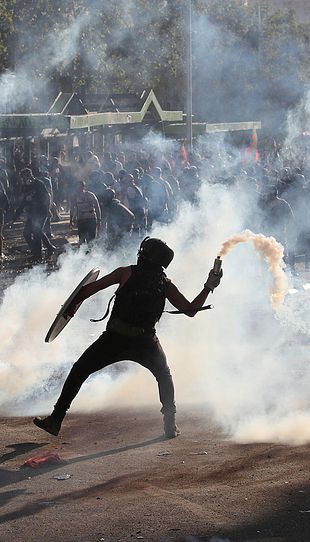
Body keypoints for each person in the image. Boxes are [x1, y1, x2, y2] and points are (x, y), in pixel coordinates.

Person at [34, 238, 222, 438]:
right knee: (164, 377)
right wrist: (209, 287)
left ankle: (56, 419)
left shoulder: (126, 272)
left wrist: (70, 306)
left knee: (79, 370)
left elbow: (91, 289)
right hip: (146, 343)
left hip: (114, 339)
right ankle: (170, 425)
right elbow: (190, 310)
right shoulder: (165, 284)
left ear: (144, 255)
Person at [70, 180, 101, 246]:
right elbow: (72, 208)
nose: (79, 189)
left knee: (91, 240)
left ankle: (91, 254)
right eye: (77, 187)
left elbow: (97, 207)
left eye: (80, 187)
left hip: (91, 219)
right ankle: (83, 255)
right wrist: (71, 219)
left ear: (84, 187)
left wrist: (99, 219)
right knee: (82, 240)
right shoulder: (74, 197)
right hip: (81, 220)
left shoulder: (90, 195)